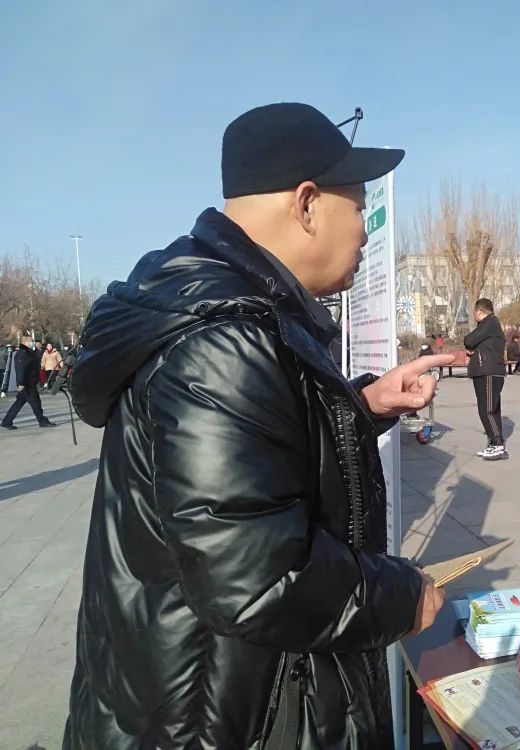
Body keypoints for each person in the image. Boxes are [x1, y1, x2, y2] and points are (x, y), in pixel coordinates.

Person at [63, 102, 453, 750]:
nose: (364, 231)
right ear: (307, 204)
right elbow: (258, 576)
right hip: (222, 718)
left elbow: (254, 468)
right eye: (358, 207)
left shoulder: (236, 312)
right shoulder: (224, 341)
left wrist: (361, 408)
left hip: (211, 693)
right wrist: (401, 596)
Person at [464, 298, 508, 460]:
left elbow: (469, 340)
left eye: (474, 312)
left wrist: (471, 347)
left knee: (487, 409)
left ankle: (497, 444)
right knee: (491, 409)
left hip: (488, 371)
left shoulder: (489, 323)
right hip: (487, 370)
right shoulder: (490, 325)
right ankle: (494, 443)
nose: (473, 315)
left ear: (480, 311)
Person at [1, 336, 57, 430]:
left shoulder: (28, 353)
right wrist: (20, 383)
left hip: (30, 382)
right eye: (31, 341)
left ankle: (6, 422)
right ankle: (42, 421)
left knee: (19, 403)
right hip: (27, 384)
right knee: (36, 403)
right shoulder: (22, 354)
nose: (33, 342)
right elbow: (20, 369)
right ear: (25, 342)